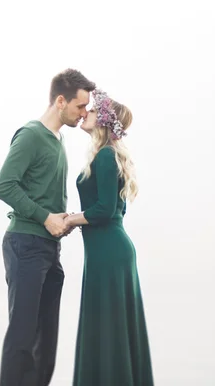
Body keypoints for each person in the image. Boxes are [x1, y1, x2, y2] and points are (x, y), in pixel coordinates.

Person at [0, 69, 96, 386]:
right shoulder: (31, 134)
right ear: (60, 101)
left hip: (51, 251)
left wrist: (62, 218)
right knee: (22, 340)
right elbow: (4, 186)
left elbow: (42, 192)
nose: (84, 114)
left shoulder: (59, 139)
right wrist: (44, 217)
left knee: (45, 348)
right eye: (80, 107)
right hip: (25, 245)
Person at [64, 89, 154, 385]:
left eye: (91, 110)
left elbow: (104, 211)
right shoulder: (108, 155)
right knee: (110, 324)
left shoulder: (105, 156)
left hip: (107, 252)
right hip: (112, 249)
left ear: (102, 119)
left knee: (106, 323)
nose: (85, 113)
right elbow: (119, 209)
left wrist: (69, 220)